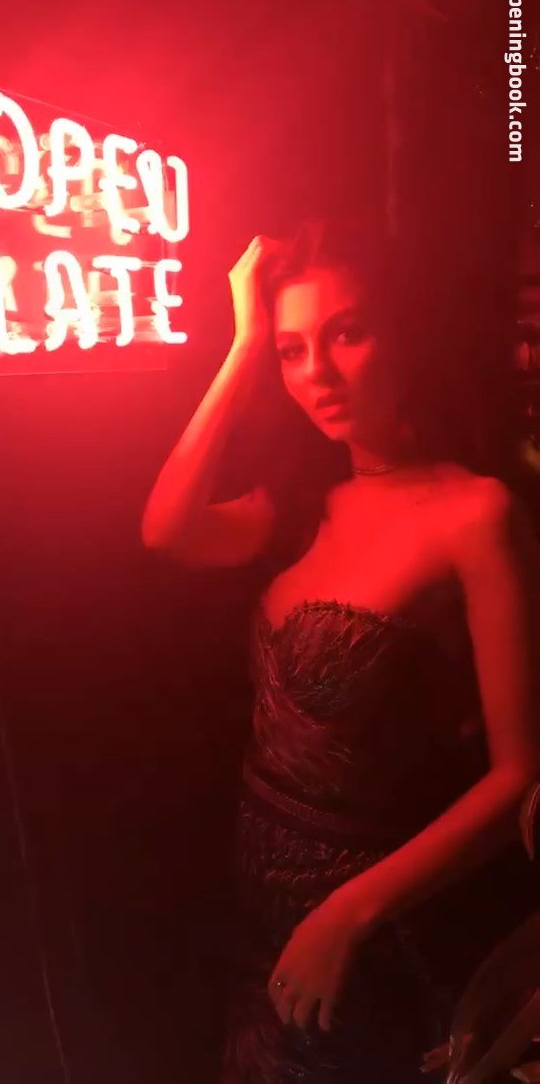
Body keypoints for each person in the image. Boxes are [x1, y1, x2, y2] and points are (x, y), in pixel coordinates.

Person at [141, 221, 540, 1083]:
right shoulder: (301, 502)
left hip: (376, 923)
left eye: (346, 333)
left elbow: (519, 774)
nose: (316, 372)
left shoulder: (477, 515)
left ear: (403, 332)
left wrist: (349, 915)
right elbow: (166, 530)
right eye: (292, 350)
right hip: (256, 902)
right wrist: (243, 346)